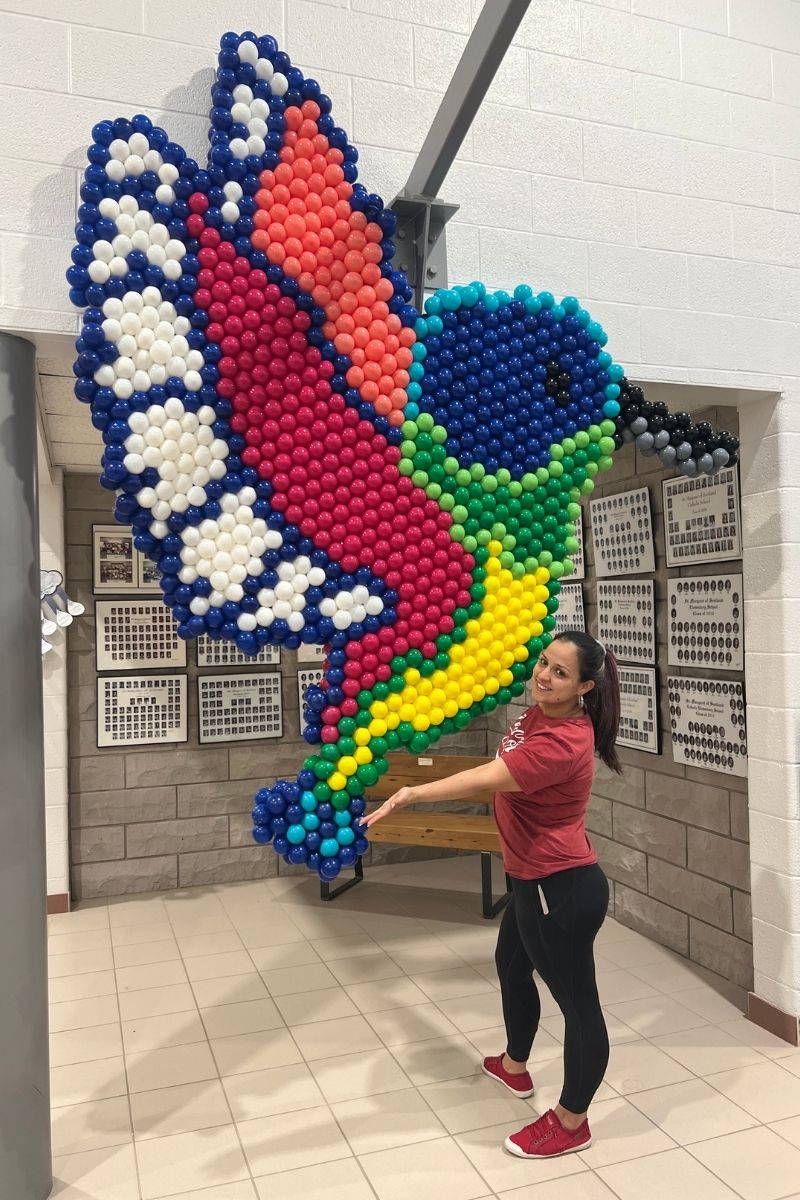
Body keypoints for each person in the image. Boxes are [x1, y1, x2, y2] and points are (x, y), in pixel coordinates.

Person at [361, 630, 620, 1160]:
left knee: (579, 1006)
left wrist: (411, 792)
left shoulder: (564, 740)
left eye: (560, 673)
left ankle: (573, 1122)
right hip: (529, 876)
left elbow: (488, 777)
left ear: (585, 687)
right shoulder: (535, 714)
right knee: (510, 964)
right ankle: (515, 1066)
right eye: (544, 663)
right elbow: (500, 775)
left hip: (561, 887)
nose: (544, 676)